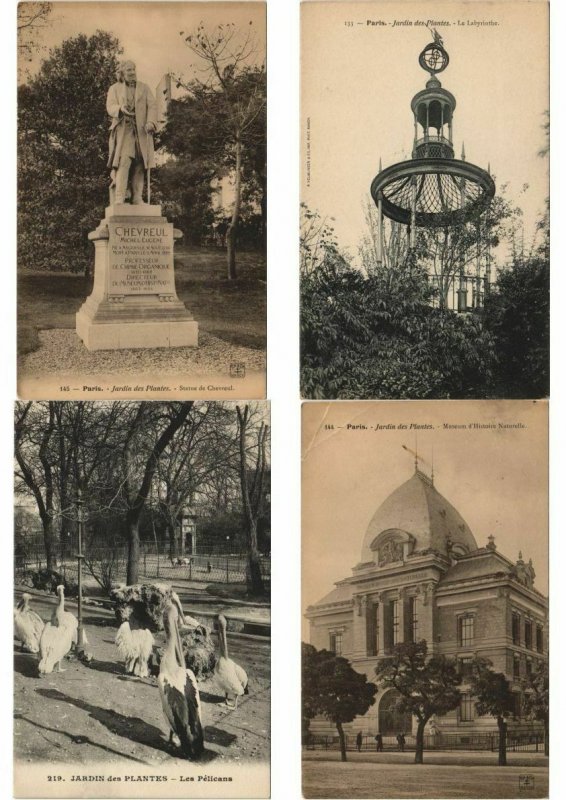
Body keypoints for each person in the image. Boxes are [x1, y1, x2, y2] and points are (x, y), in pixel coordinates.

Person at [106, 60, 157, 205]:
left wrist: (151, 122)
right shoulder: (114, 88)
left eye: (134, 69)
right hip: (124, 130)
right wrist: (120, 109)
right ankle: (119, 198)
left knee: (140, 163)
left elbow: (152, 106)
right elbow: (110, 106)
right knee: (124, 161)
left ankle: (137, 197)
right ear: (122, 73)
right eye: (129, 70)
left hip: (142, 131)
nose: (132, 72)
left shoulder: (144, 88)